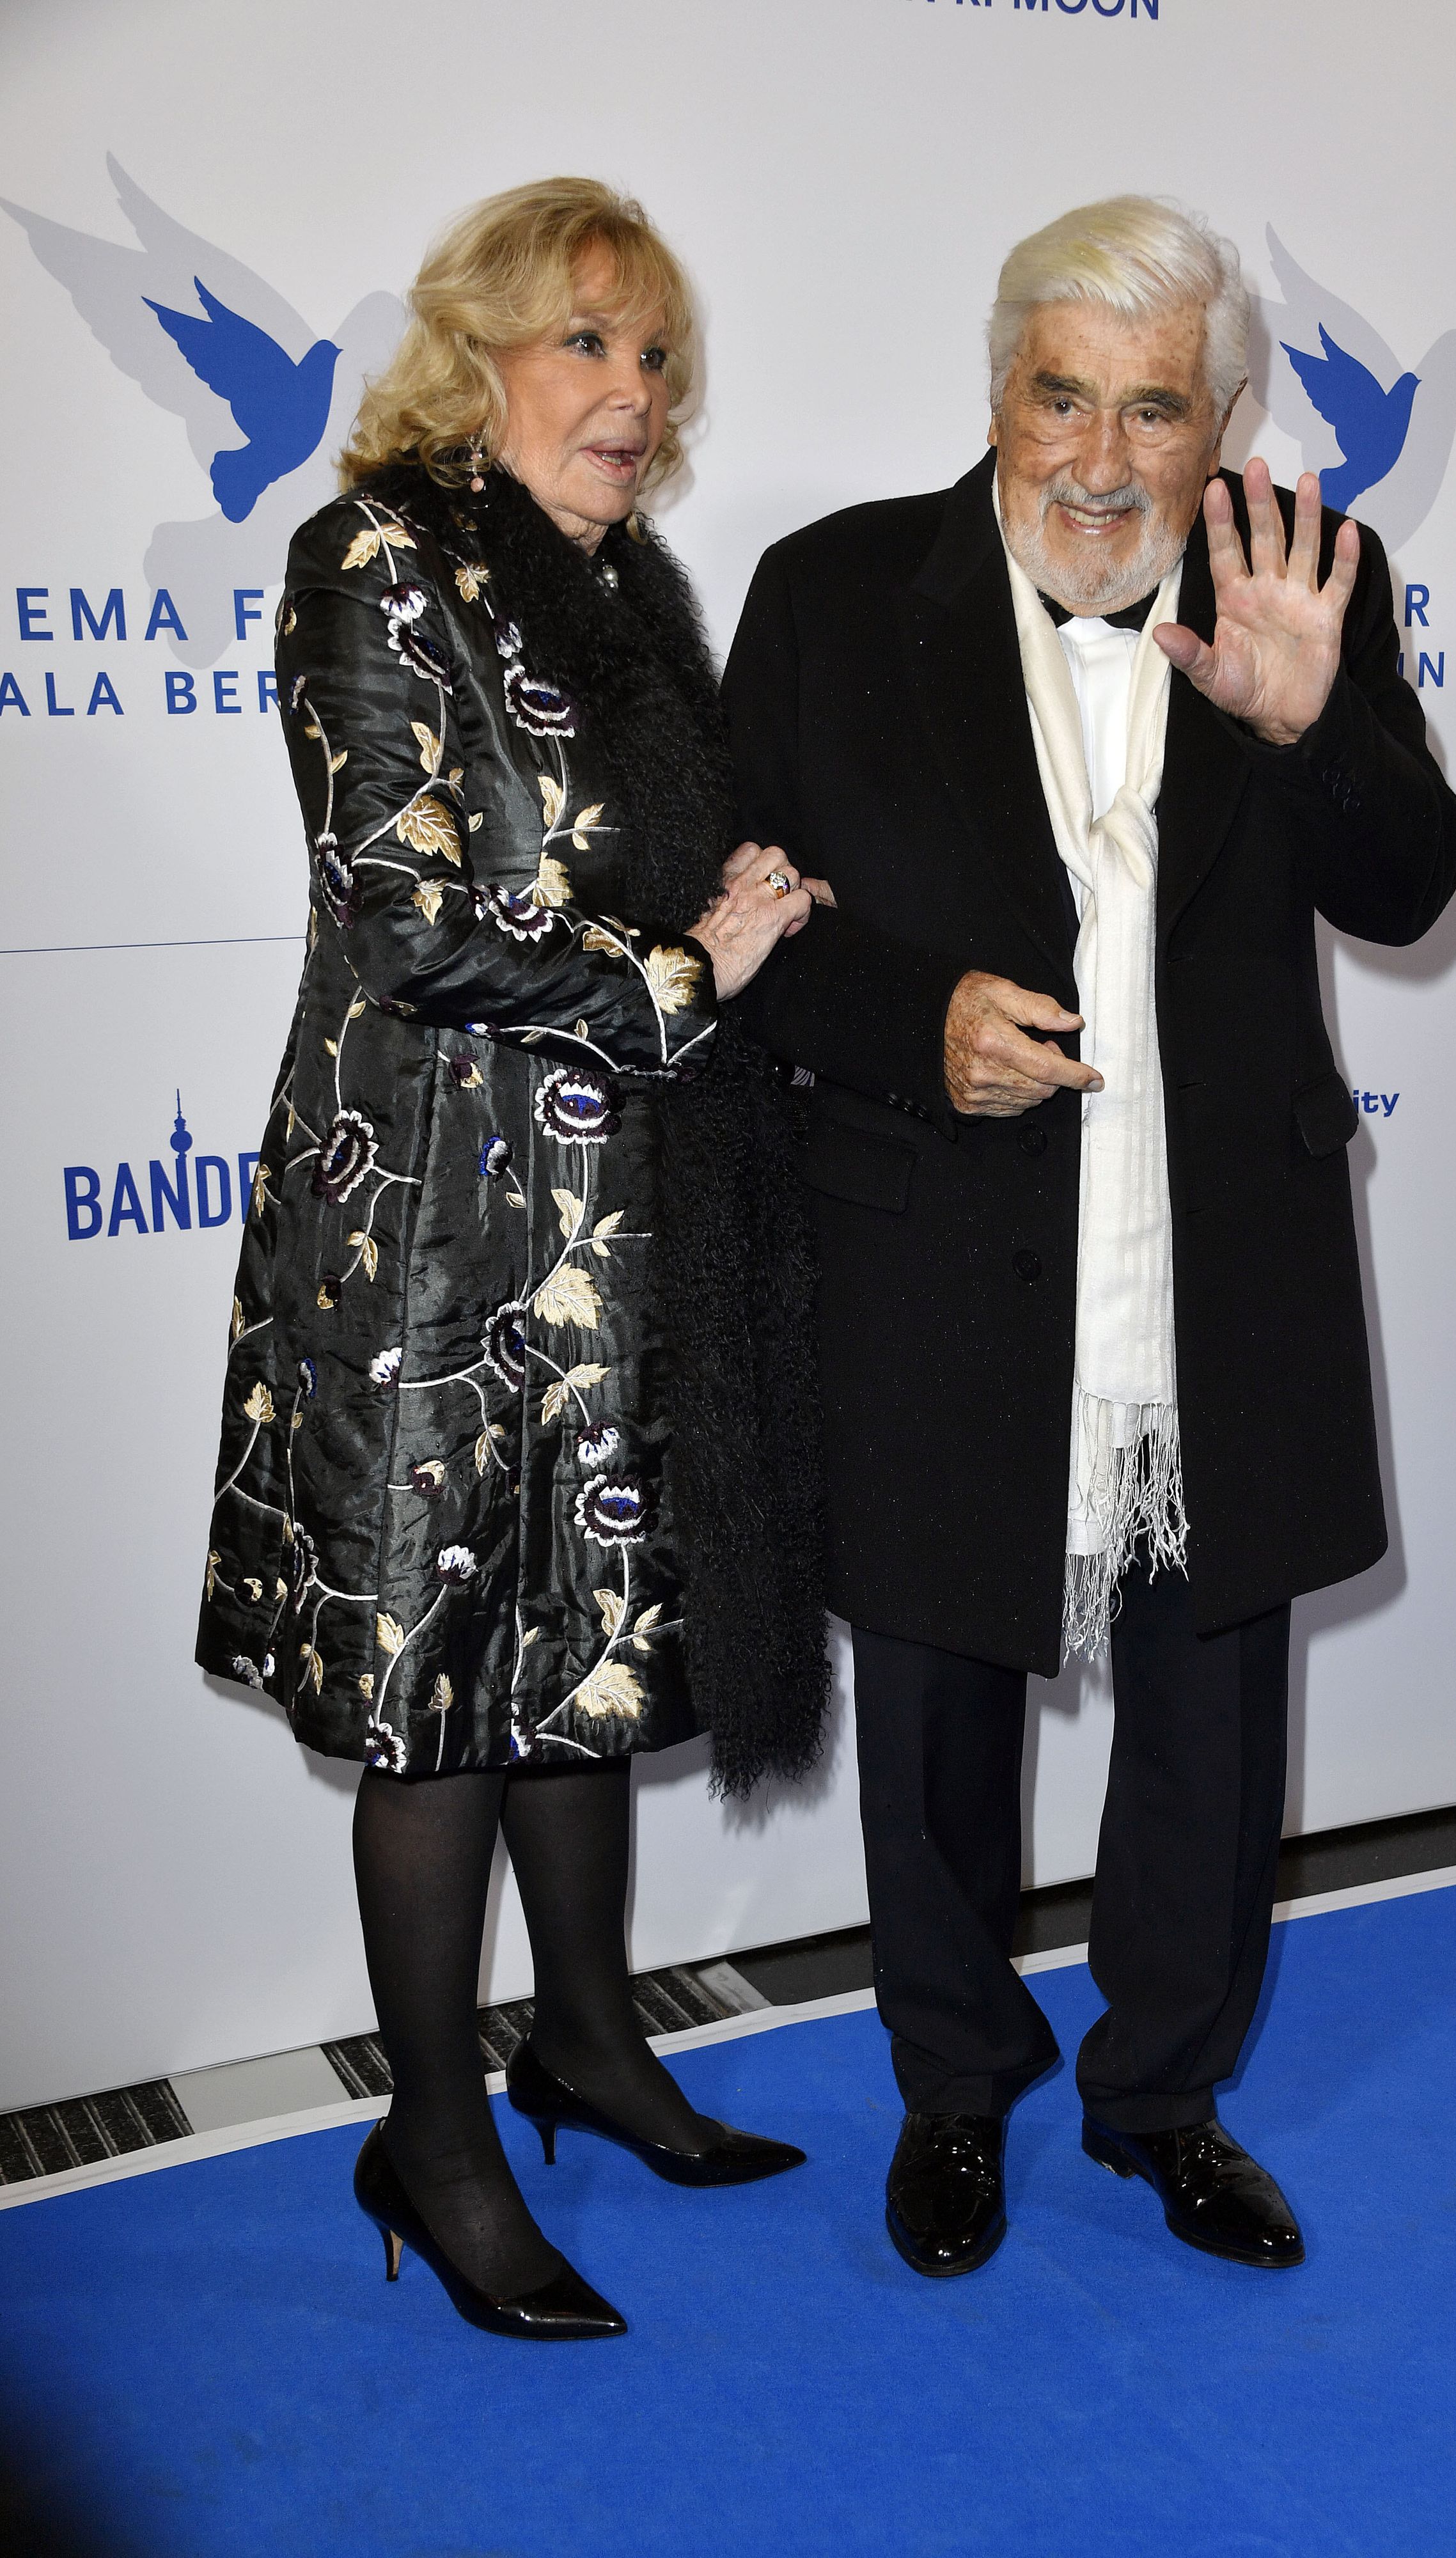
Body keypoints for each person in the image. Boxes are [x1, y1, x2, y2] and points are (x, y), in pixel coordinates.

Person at [723, 196, 1456, 2279]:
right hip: (939, 1266)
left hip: (1214, 1266)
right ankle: (951, 2091)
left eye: (1155, 407)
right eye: (1061, 393)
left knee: (1208, 1721)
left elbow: (1407, 890)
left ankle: (1162, 2098)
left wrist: (1309, 727)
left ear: (1220, 417)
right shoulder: (831, 592)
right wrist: (910, 1025)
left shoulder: (1300, 582)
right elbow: (745, 936)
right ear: (994, 391)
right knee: (941, 1710)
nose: (1102, 455)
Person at [197, 178, 830, 2340]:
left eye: (656, 356)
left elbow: (632, 861)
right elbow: (406, 915)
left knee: (578, 1647)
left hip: (614, 1222)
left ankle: (586, 2041)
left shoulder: (623, 585)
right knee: (439, 1688)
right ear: (472, 353)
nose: (634, 395)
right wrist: (683, 975)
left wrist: (730, 902)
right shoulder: (370, 552)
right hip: (430, 1237)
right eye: (588, 346)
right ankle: (437, 2138)